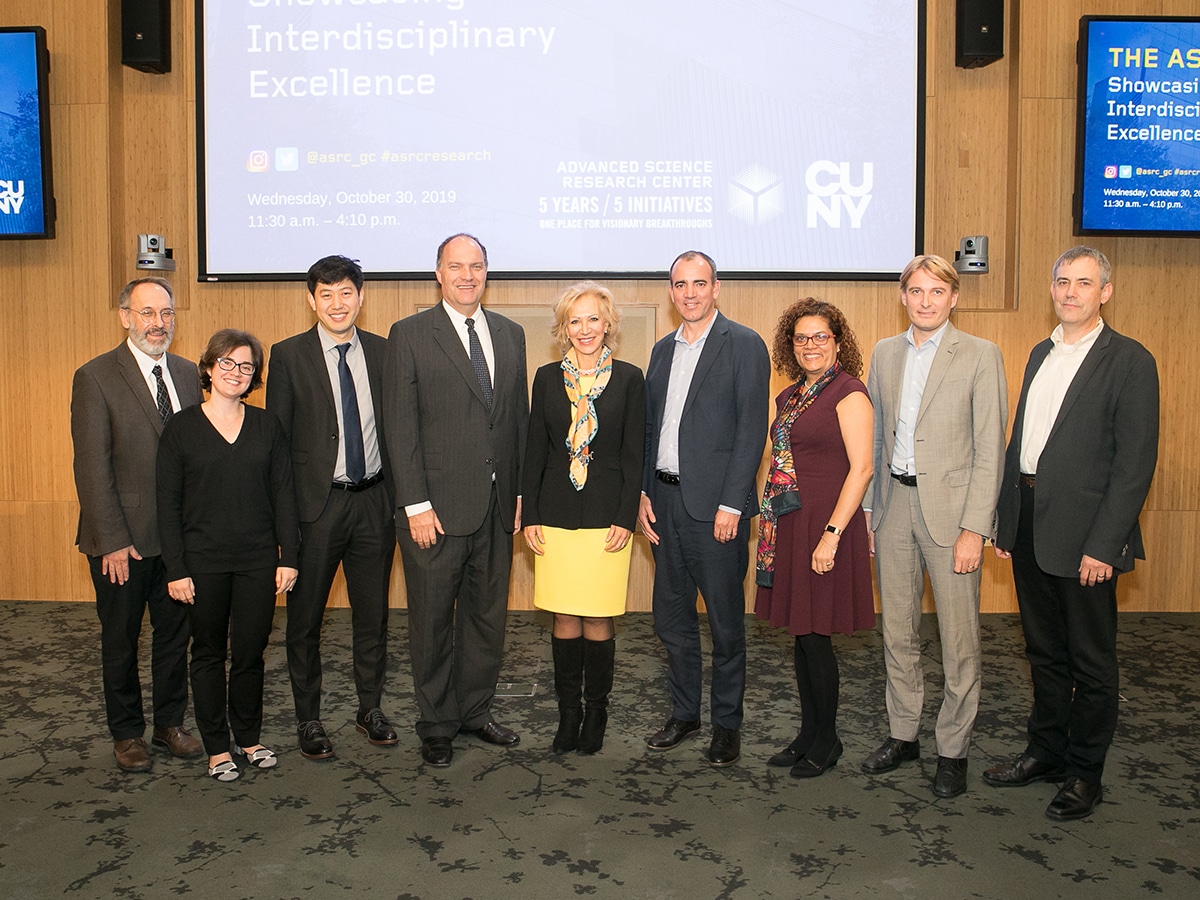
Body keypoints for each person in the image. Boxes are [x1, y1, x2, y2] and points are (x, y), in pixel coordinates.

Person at [985, 247, 1159, 821]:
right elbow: (1024, 446)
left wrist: (1104, 545)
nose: (1070, 292)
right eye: (1062, 281)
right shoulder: (1040, 352)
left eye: (1084, 283)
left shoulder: (1130, 361)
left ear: (1104, 292)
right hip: (1032, 523)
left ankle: (1086, 773)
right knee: (1043, 652)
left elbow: (1134, 466)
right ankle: (1046, 752)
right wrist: (1008, 518)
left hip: (1086, 536)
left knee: (1091, 661)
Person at [861, 255, 1007, 799]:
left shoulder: (979, 355)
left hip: (952, 518)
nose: (925, 301)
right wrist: (871, 514)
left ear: (954, 297)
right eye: (915, 291)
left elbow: (990, 449)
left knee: (958, 639)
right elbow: (876, 439)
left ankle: (953, 749)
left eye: (936, 291)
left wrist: (977, 528)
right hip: (894, 505)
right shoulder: (883, 353)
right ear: (903, 297)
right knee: (897, 632)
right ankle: (904, 736)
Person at [384, 233, 529, 769]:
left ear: (487, 272)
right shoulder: (410, 334)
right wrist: (415, 504)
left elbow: (517, 421)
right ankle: (437, 722)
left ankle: (475, 711)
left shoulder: (511, 335)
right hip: (435, 512)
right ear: (438, 273)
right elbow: (400, 428)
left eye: (477, 266)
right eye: (456, 266)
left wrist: (519, 496)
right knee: (431, 620)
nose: (467, 275)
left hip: (496, 508)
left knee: (487, 618)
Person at [638, 250, 770, 768]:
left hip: (717, 511)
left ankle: (727, 725)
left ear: (716, 288)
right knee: (670, 620)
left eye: (699, 283)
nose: (689, 292)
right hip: (665, 502)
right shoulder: (661, 350)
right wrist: (644, 492)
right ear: (671, 292)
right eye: (680, 284)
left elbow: (749, 432)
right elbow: (652, 428)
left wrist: (732, 503)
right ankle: (685, 713)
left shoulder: (743, 344)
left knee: (724, 624)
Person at [71, 276, 204, 773]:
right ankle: (127, 733)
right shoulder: (96, 376)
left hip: (178, 541)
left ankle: (170, 725)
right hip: (121, 541)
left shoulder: (190, 374)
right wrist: (112, 540)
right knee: (121, 638)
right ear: (125, 316)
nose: (158, 323)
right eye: (147, 313)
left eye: (166, 313)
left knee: (174, 638)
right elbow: (91, 467)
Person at [267, 255, 397, 761]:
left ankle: (370, 709)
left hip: (374, 504)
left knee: (374, 615)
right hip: (315, 510)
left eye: (346, 293)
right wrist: (282, 525)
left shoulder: (387, 353)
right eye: (326, 294)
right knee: (304, 620)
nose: (337, 303)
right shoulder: (288, 355)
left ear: (361, 297)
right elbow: (277, 447)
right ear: (311, 299)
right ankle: (309, 719)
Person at [157, 329, 300, 782]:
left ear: (254, 375)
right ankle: (217, 746)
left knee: (251, 654)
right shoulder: (180, 428)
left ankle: (249, 737)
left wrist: (289, 556)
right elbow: (168, 505)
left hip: (259, 560)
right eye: (227, 363)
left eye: (246, 366)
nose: (236, 373)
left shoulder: (266, 425)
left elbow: (284, 496)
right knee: (208, 653)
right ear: (208, 368)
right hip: (202, 563)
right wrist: (175, 569)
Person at [522, 282, 646, 754]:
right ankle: (567, 714)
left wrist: (625, 516)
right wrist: (530, 512)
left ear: (608, 324)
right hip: (554, 513)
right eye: (575, 320)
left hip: (605, 518)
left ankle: (596, 714)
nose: (585, 329)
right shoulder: (546, 377)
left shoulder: (631, 378)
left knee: (597, 618)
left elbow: (634, 454)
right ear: (563, 329)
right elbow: (536, 449)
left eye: (594, 319)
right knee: (564, 616)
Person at [754, 299, 875, 778]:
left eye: (820, 336)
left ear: (837, 342)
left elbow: (862, 468)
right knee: (802, 636)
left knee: (818, 637)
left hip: (828, 526)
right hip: (792, 525)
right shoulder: (789, 397)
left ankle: (828, 740)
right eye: (801, 338)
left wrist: (830, 535)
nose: (810, 345)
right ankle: (808, 734)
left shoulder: (850, 393)